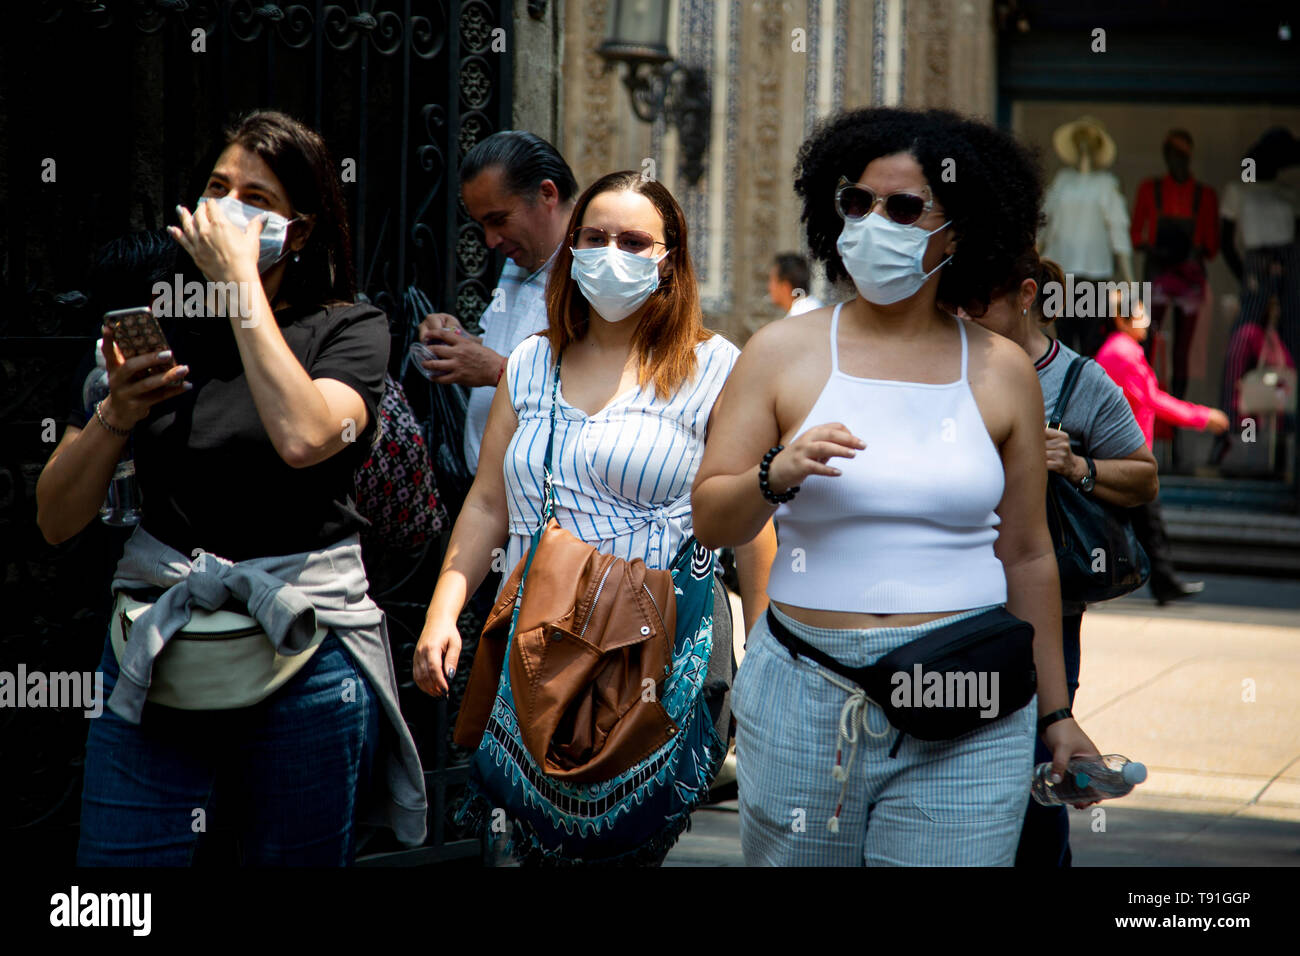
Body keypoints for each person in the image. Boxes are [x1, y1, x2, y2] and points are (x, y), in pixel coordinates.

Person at [692, 106, 1100, 867]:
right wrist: (773, 475)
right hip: (806, 692)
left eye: (905, 208)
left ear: (959, 230)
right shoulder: (781, 353)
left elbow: (1028, 553)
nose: (874, 223)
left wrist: (1058, 715)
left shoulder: (1002, 370)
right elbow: (712, 519)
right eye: (856, 202)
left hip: (968, 705)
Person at [37, 110, 426, 865]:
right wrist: (117, 410)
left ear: (302, 231)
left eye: (257, 197)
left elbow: (307, 436)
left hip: (303, 652)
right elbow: (56, 517)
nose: (229, 208)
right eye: (217, 189)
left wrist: (243, 287)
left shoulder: (349, 329)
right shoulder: (163, 322)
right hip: (157, 645)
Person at [413, 170, 777, 863]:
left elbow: (753, 527)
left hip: (649, 660)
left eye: (636, 241)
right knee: (523, 841)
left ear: (670, 261)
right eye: (596, 237)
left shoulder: (714, 368)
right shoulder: (530, 362)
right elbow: (488, 500)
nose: (612, 253)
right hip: (534, 652)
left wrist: (760, 661)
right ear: (572, 246)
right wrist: (442, 612)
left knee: (622, 844)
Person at [969, 252, 1158, 866]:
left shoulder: (1081, 381)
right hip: (956, 602)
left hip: (1047, 610)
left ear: (1026, 296)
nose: (966, 315)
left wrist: (1078, 466)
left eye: (981, 303)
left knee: (1035, 775)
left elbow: (1144, 478)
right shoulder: (952, 365)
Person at [415, 130, 578, 475]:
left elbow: (592, 393)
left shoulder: (590, 271)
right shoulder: (520, 260)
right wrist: (456, 342)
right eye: (481, 225)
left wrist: (494, 370)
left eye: (498, 220)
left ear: (547, 194)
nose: (490, 240)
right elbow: (505, 347)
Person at [1095, 291, 1229, 604]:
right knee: (1144, 523)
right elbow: (1153, 400)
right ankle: (1161, 581)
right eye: (1139, 313)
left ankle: (1161, 582)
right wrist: (1202, 416)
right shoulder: (1123, 352)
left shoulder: (1122, 350)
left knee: (1137, 523)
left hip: (1124, 451)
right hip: (1127, 454)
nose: (1146, 320)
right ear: (1122, 319)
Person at [768, 252, 824, 317]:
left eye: (772, 281)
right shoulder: (809, 308)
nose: (769, 287)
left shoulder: (803, 313)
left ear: (785, 287)